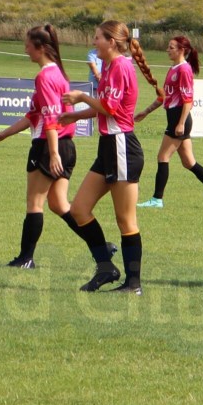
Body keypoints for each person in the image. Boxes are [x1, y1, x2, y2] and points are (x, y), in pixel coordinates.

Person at [0, 25, 116, 268]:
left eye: (27, 46)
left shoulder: (45, 76)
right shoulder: (59, 74)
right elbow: (34, 114)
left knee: (35, 204)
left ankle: (26, 258)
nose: (25, 50)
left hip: (49, 146)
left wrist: (52, 153)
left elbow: (51, 117)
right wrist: (5, 134)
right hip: (66, 146)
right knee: (59, 205)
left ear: (41, 48)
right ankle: (102, 248)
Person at [58, 20, 162, 295]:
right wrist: (75, 115)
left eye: (97, 38)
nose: (94, 42)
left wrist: (81, 96)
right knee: (79, 209)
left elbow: (111, 109)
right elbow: (103, 109)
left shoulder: (120, 66)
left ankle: (133, 284)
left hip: (122, 147)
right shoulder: (109, 67)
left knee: (126, 220)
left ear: (112, 42)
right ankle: (105, 267)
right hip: (108, 147)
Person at [135, 35, 203, 210]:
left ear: (181, 50)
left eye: (171, 47)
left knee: (162, 157)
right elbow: (165, 97)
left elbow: (188, 100)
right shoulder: (174, 68)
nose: (167, 50)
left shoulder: (184, 70)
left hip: (179, 119)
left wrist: (180, 123)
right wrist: (146, 112)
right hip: (176, 117)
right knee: (189, 163)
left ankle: (157, 199)